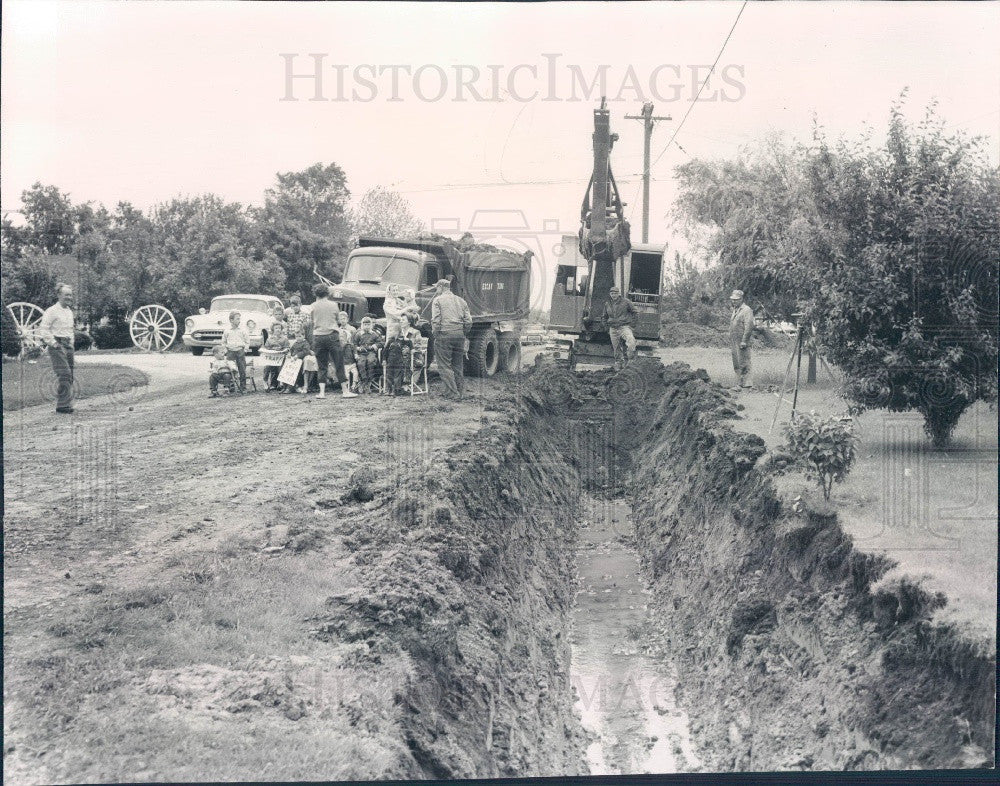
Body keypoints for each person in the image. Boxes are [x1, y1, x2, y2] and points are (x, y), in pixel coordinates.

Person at [310, 283, 357, 400]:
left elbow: (312, 320)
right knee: (339, 363)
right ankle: (345, 391)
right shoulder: (334, 305)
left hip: (318, 337)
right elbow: (336, 319)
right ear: (327, 293)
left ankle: (322, 393)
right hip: (332, 335)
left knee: (322, 365)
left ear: (316, 294)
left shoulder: (312, 306)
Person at [38, 283, 77, 414]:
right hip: (57, 345)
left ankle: (65, 404)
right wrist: (54, 343)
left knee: (69, 375)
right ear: (59, 295)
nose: (69, 297)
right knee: (64, 373)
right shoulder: (51, 311)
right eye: (66, 295)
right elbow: (43, 329)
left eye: (70, 295)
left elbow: (70, 329)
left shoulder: (69, 311)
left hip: (68, 345)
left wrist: (71, 343)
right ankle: (62, 405)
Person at [430, 278, 471, 400]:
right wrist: (463, 332)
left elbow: (436, 320)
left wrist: (436, 334)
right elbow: (468, 321)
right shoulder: (461, 301)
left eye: (437, 288)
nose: (436, 290)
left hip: (444, 335)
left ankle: (452, 394)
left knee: (444, 366)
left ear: (441, 287)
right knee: (458, 365)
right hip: (459, 335)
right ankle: (460, 392)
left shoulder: (437, 300)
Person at [602, 286, 638, 371]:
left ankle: (630, 361)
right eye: (612, 293)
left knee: (631, 341)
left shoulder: (626, 302)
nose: (614, 295)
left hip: (624, 327)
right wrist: (606, 327)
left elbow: (635, 312)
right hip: (613, 329)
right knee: (616, 347)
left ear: (619, 294)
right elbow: (604, 316)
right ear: (610, 294)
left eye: (615, 293)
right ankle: (618, 363)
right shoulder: (607, 304)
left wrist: (632, 325)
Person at [729, 289, 755, 389]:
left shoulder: (746, 310)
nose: (734, 301)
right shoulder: (735, 310)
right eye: (732, 299)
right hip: (734, 340)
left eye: (736, 299)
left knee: (744, 362)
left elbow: (749, 326)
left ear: (741, 299)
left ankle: (747, 384)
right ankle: (739, 383)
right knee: (737, 362)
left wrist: (744, 341)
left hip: (742, 340)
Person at [221, 311, 250, 393]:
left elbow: (247, 341)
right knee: (230, 369)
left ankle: (243, 387)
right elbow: (223, 342)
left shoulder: (242, 330)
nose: (239, 320)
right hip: (230, 352)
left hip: (240, 351)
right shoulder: (227, 331)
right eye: (237, 319)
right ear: (231, 320)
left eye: (239, 319)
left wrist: (245, 350)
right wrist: (226, 350)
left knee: (242, 369)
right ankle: (231, 386)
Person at [352, 317, 381, 393]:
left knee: (370, 361)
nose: (367, 326)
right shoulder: (359, 334)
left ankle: (369, 382)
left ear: (371, 325)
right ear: (362, 325)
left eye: (368, 325)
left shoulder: (374, 334)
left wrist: (375, 345)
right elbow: (354, 344)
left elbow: (381, 342)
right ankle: (364, 380)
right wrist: (357, 349)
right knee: (361, 363)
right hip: (362, 353)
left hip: (371, 352)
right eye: (365, 325)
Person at [261, 322, 290, 391]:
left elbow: (287, 348)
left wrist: (283, 350)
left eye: (279, 328)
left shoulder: (284, 339)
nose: (278, 330)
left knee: (281, 365)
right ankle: (265, 381)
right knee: (267, 366)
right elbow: (266, 348)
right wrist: (271, 350)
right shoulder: (269, 339)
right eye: (276, 328)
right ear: (273, 330)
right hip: (272, 357)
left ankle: (280, 382)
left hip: (280, 356)